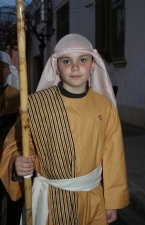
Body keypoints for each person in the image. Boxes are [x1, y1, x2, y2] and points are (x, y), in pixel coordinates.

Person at [0, 34, 129, 225]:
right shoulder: (36, 105)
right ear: (57, 67)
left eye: (83, 60)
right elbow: (15, 144)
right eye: (67, 61)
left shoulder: (105, 107)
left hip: (91, 201)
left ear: (93, 65)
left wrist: (112, 201)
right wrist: (17, 163)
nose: (75, 67)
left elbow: (114, 157)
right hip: (51, 203)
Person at [0, 51, 23, 225]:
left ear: (9, 70)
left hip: (7, 163)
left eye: (4, 66)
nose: (0, 70)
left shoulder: (18, 97)